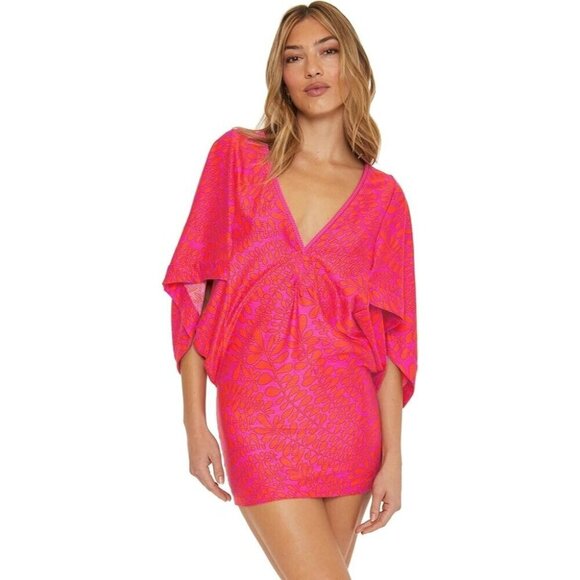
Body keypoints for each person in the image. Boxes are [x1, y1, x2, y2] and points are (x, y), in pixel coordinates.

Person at [162, 2, 418, 577]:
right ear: (280, 74)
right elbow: (197, 294)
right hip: (259, 417)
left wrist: (394, 459)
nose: (313, 69)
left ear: (353, 65)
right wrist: (194, 422)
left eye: (327, 52)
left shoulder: (384, 199)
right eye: (294, 58)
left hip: (350, 423)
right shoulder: (237, 158)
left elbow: (391, 341)